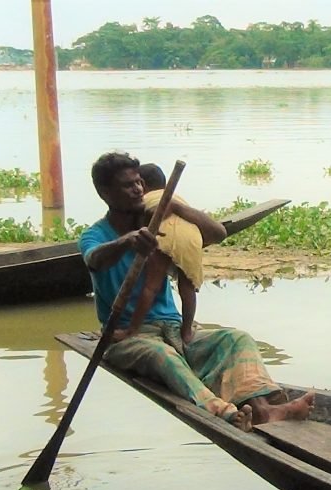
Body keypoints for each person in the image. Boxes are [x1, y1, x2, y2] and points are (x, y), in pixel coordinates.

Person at [78, 152, 315, 432]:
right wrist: (126, 242)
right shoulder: (95, 235)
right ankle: (225, 413)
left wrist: (177, 208)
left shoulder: (158, 221)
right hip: (128, 337)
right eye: (128, 185)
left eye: (139, 182)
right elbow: (94, 259)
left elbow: (217, 233)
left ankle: (263, 410)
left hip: (175, 329)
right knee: (163, 356)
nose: (138, 189)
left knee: (236, 339)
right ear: (105, 193)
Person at [119, 162, 203, 355]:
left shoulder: (145, 199)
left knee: (151, 286)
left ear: (143, 184)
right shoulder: (178, 198)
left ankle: (131, 330)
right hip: (192, 236)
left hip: (164, 234)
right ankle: (186, 332)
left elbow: (140, 224)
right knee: (187, 287)